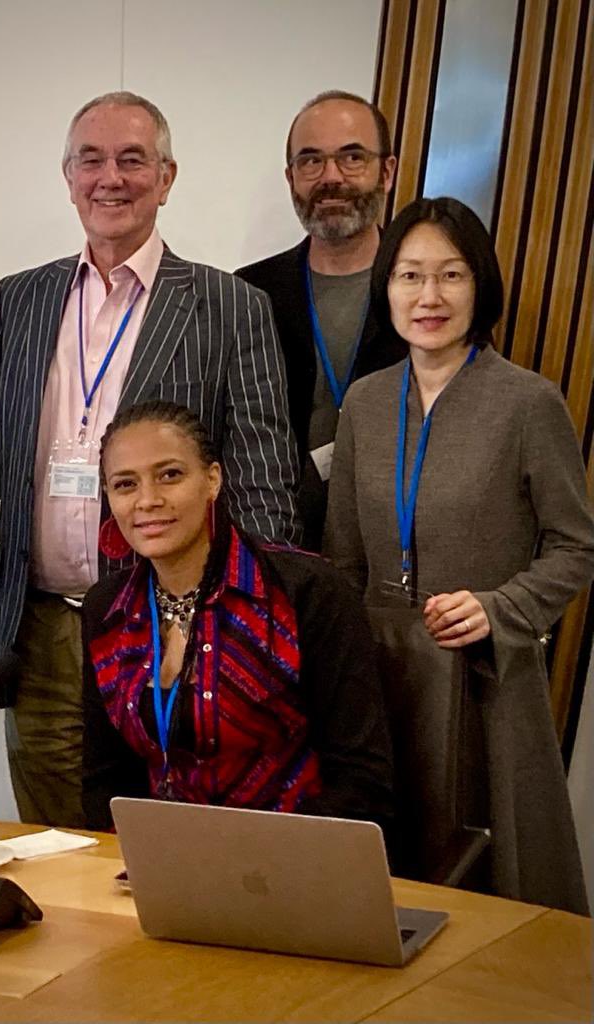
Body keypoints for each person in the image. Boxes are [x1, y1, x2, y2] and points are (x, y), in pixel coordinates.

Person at [0, 92, 300, 828]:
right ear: (67, 176)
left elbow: (263, 485)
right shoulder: (23, 300)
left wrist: (257, 629)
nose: (112, 178)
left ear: (166, 178)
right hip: (35, 633)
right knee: (47, 843)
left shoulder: (231, 308)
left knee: (160, 839)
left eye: (133, 159)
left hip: (170, 628)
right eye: (91, 160)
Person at [323, 196, 594, 914]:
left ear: (481, 287)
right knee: (385, 887)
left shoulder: (528, 404)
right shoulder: (367, 404)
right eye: (410, 276)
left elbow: (576, 545)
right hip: (384, 678)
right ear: (386, 290)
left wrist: (500, 607)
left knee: (500, 895)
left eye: (451, 275)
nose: (430, 296)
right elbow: (341, 560)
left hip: (488, 682)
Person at [80, 400, 392, 832]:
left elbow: (362, 782)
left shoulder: (306, 592)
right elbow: (105, 781)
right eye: (125, 484)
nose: (148, 500)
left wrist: (247, 864)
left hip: (294, 864)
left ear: (212, 479)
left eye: (170, 475)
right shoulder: (108, 611)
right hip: (158, 867)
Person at [236, 91, 406, 550]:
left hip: (399, 550)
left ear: (386, 171)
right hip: (280, 548)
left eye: (352, 157)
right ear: (291, 178)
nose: (331, 177)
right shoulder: (249, 294)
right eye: (310, 162)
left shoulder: (431, 295)